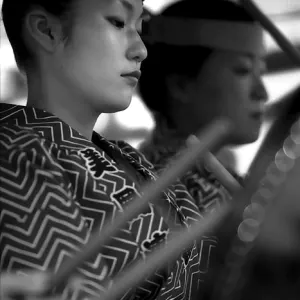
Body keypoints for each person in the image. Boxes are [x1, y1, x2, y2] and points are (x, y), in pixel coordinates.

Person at [0, 0, 215, 299]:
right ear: (46, 30)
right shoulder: (16, 157)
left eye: (138, 27)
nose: (140, 50)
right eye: (117, 22)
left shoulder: (128, 157)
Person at [138, 0, 268, 298]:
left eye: (262, 72)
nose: (262, 91)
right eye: (242, 70)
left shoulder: (214, 179)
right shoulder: (165, 190)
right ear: (182, 84)